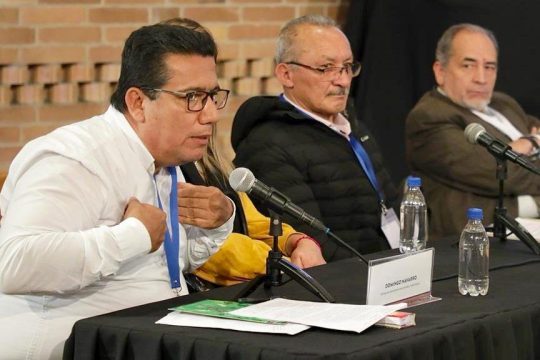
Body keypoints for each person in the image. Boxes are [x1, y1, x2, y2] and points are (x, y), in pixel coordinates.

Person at [0, 20, 235, 359]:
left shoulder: (164, 160)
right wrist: (134, 234)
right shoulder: (76, 158)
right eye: (192, 98)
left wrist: (216, 223)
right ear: (138, 102)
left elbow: (166, 265)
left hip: (144, 342)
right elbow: (15, 263)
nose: (211, 114)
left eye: (212, 96)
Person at [231, 15, 399, 261]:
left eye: (348, 67)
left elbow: (392, 202)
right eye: (326, 68)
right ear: (286, 74)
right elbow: (311, 241)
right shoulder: (267, 144)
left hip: (390, 271)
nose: (342, 80)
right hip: (345, 283)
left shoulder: (354, 126)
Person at [406, 23, 540, 238]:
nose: (481, 78)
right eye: (468, 66)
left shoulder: (502, 103)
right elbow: (497, 172)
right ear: (440, 71)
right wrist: (533, 144)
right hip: (476, 240)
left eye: (489, 67)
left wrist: (528, 143)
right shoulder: (429, 117)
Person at [182, 126, 326, 286]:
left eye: (213, 101)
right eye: (194, 100)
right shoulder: (173, 173)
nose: (210, 114)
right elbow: (202, 243)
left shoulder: (218, 167)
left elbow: (254, 224)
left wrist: (298, 242)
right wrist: (281, 263)